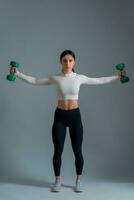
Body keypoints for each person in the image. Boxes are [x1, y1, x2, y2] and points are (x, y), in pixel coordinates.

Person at [10, 50, 125, 192]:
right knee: (58, 150)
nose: (68, 63)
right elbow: (35, 81)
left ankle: (78, 181)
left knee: (78, 151)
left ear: (74, 62)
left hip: (75, 116)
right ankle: (57, 181)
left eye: (70, 60)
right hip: (60, 116)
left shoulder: (79, 78)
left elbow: (99, 80)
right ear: (60, 62)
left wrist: (117, 76)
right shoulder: (56, 78)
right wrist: (18, 73)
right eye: (65, 60)